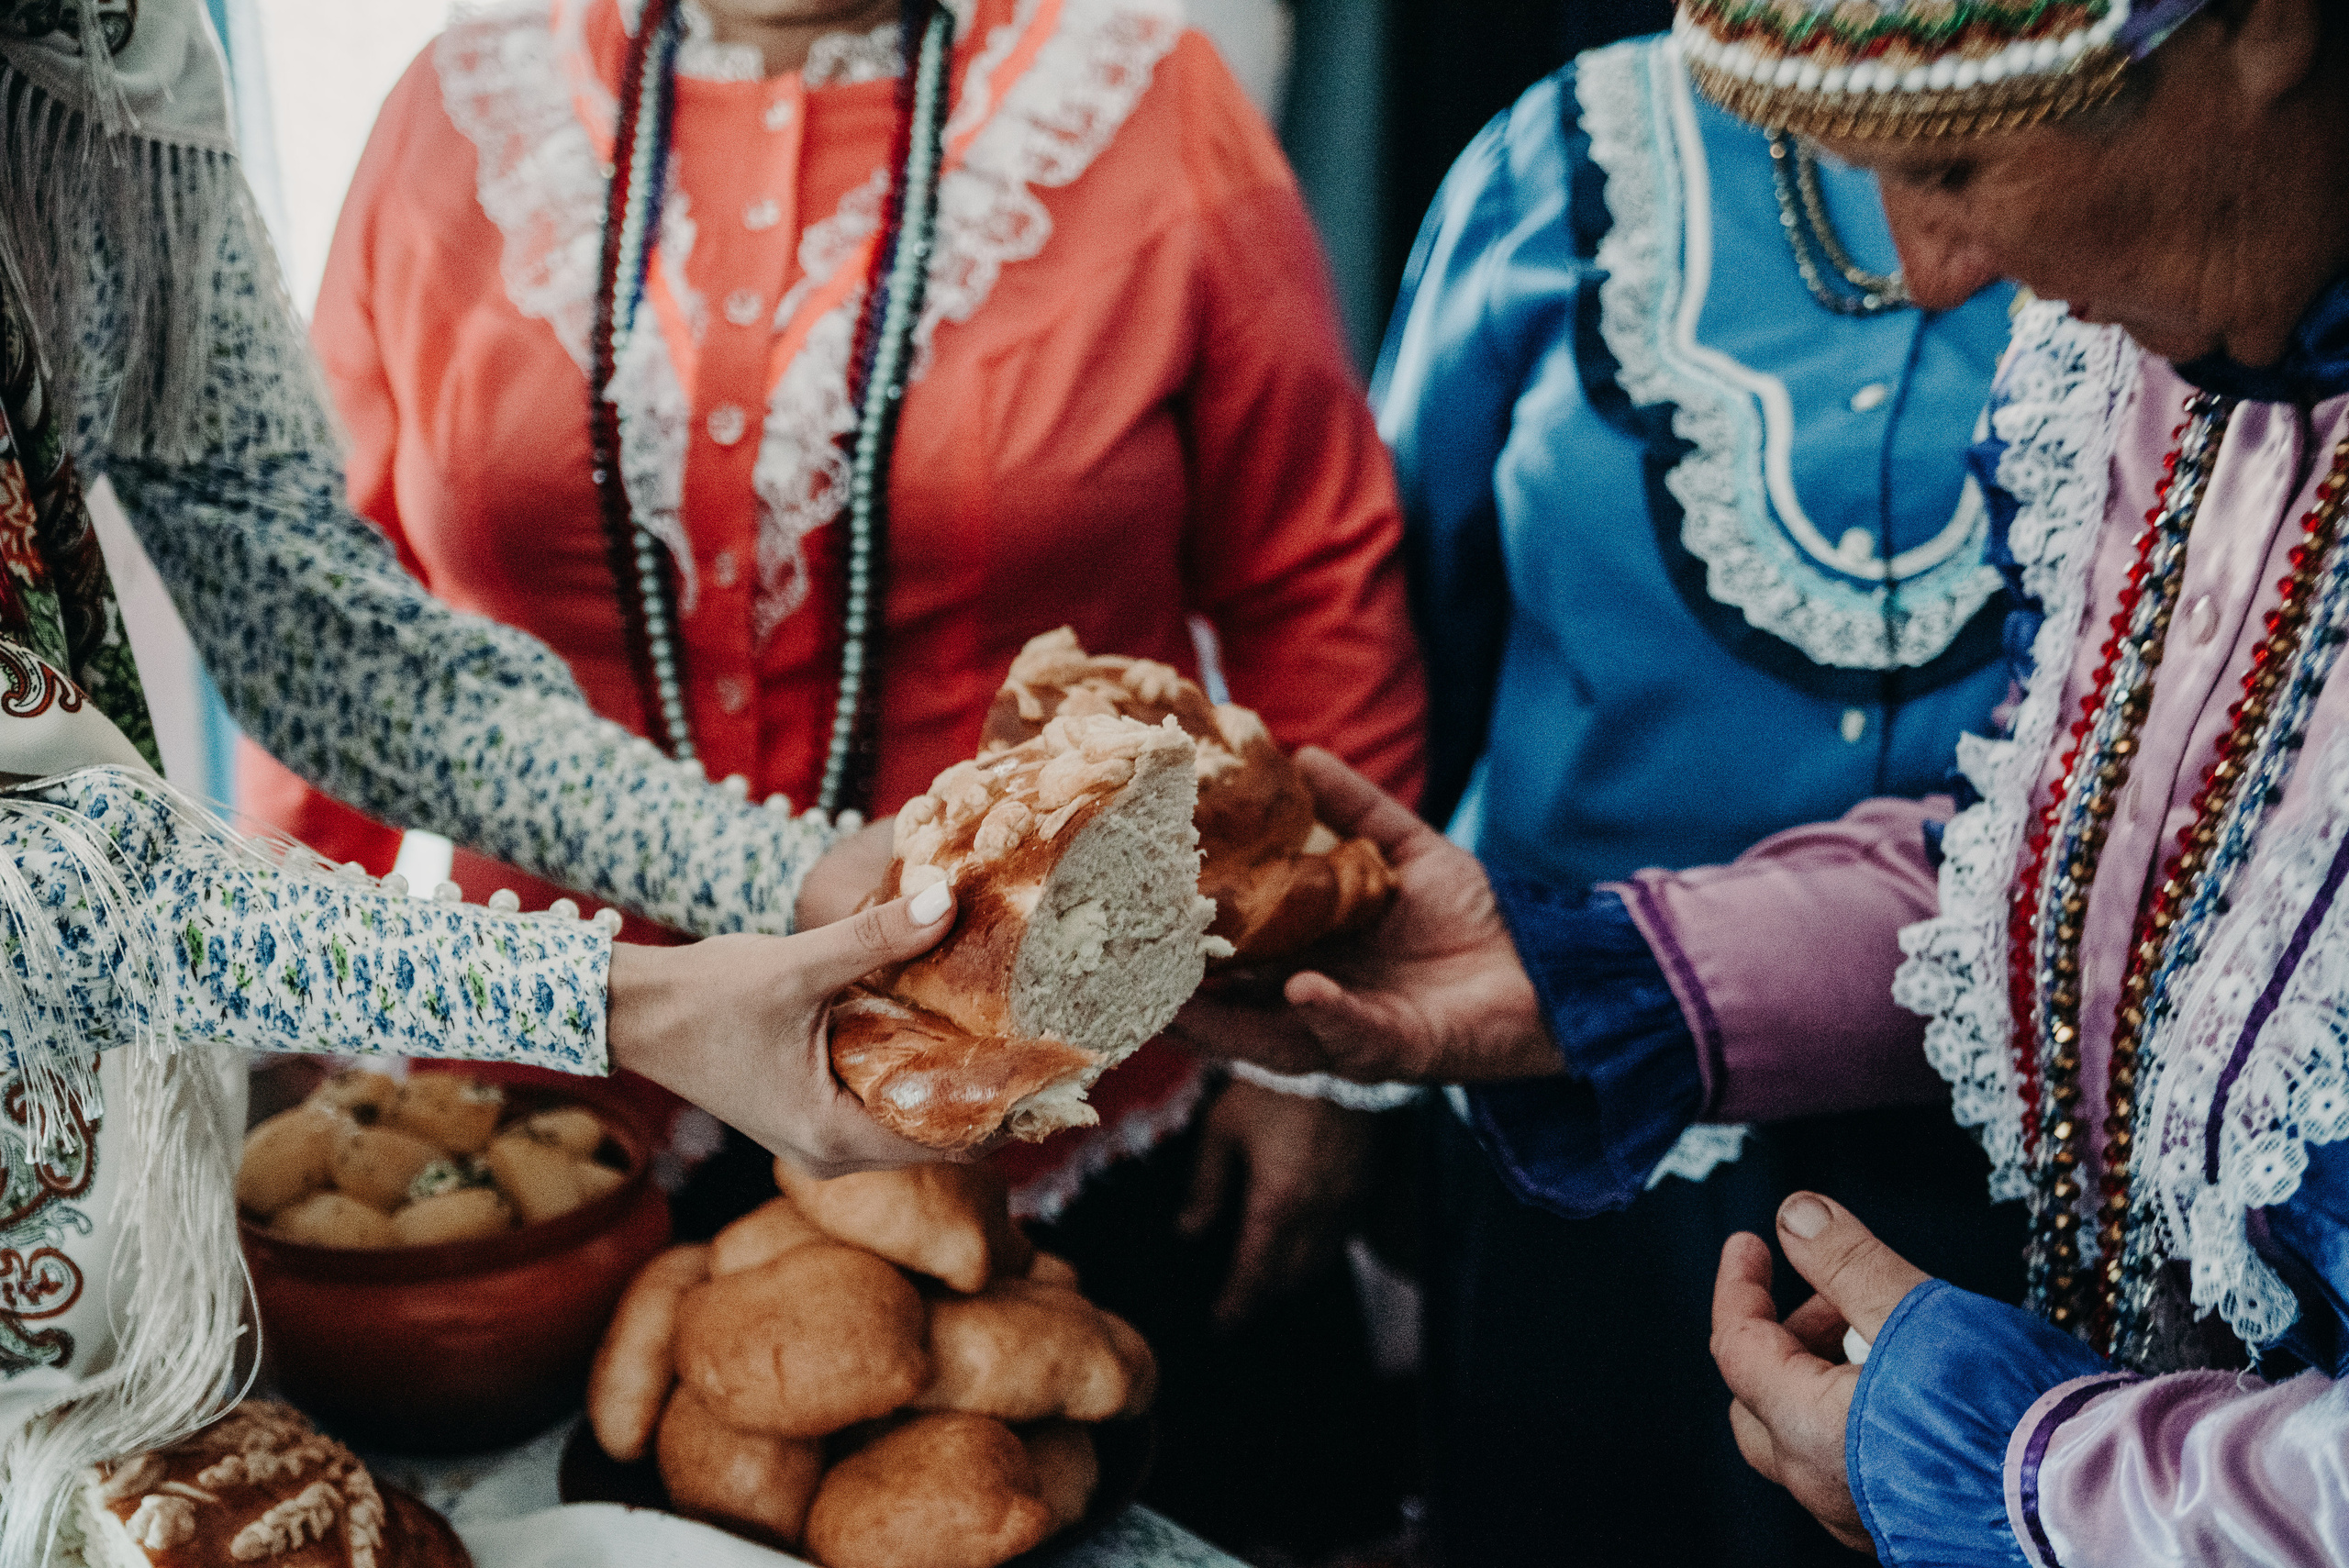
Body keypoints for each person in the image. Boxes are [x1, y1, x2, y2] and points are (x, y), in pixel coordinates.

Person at [237, 0, 1426, 1550]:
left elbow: (1313, 583)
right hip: (549, 1134)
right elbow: (325, 612)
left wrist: (1316, 1055)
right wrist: (273, 1020)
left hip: (1052, 1106)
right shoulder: (459, 110)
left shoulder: (1142, 100)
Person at [1195, 0, 2349, 1555]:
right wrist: (1596, 979)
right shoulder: (2191, 363)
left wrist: (2044, 1481)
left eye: (1961, 160)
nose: (1935, 269)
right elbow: (2092, 861)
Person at [0, 0, 966, 1557]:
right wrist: (624, 1000)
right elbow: (39, 888)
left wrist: (783, 870)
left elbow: (324, 627)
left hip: (93, 1227)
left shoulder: (113, 55)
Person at [1340, 26, 2022, 1563]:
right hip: (1579, 1114)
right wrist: (1315, 1061)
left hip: (2014, 1179)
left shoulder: (2185, 182)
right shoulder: (1571, 157)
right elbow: (1386, 644)